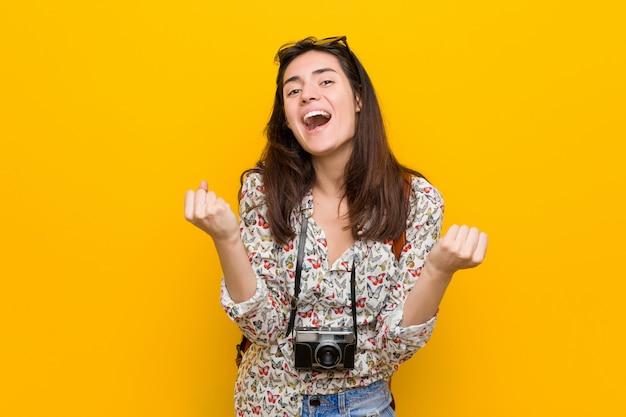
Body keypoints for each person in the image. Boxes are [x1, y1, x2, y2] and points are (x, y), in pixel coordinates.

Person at [184, 36, 488, 417]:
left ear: (359, 99)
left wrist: (439, 271)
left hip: (365, 406)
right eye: (292, 90)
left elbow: (392, 348)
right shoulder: (263, 191)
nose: (308, 95)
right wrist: (225, 238)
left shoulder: (416, 201)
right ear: (287, 117)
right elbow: (262, 328)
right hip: (269, 403)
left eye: (325, 81)